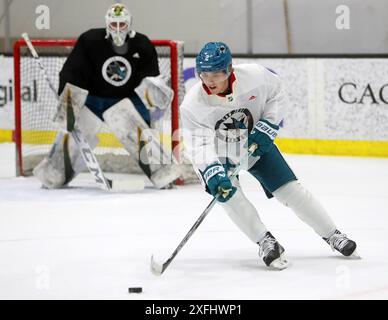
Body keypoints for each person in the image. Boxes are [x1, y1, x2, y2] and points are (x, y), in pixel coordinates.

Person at [180, 42, 358, 270]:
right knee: (230, 196)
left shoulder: (255, 76)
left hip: (254, 142)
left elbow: (278, 94)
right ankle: (265, 241)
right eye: (204, 74)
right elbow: (199, 145)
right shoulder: (193, 104)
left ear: (229, 70)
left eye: (216, 74)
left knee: (292, 191)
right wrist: (213, 173)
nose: (210, 81)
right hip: (218, 154)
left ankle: (333, 234)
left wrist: (268, 126)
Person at [34, 3, 180, 189]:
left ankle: (163, 174)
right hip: (93, 100)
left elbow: (149, 79)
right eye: (114, 24)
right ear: (107, 24)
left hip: (125, 100)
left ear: (129, 24)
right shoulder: (90, 40)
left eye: (122, 24)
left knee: (140, 135)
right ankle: (54, 174)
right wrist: (69, 99)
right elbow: (72, 71)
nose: (118, 29)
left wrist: (150, 102)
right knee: (73, 133)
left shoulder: (142, 44)